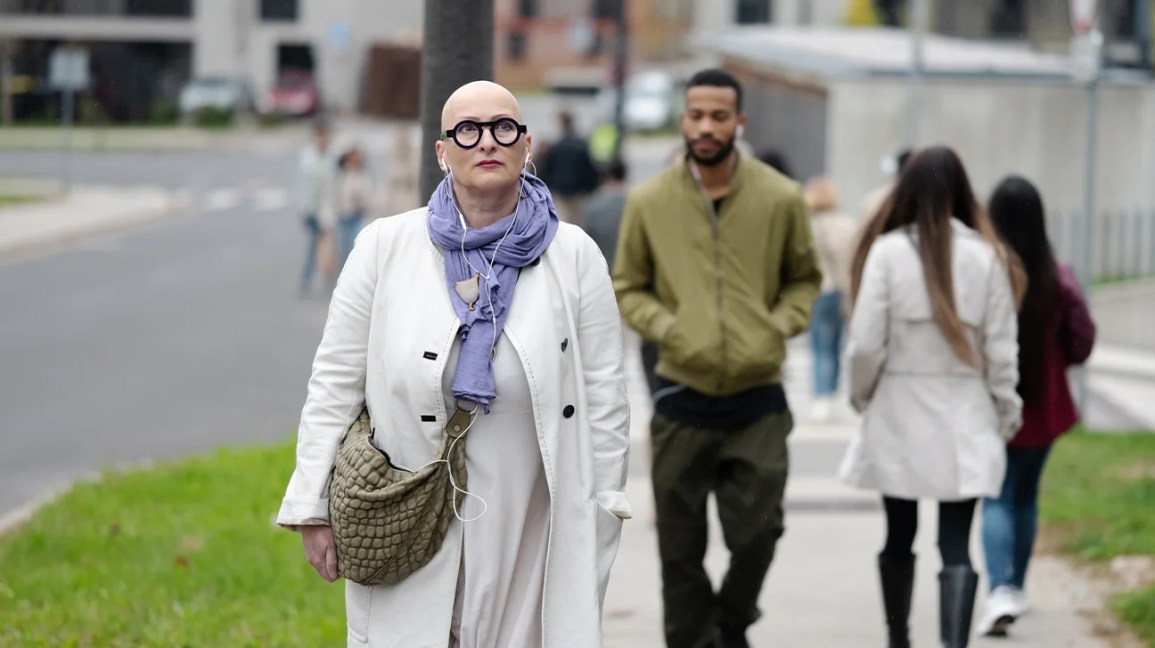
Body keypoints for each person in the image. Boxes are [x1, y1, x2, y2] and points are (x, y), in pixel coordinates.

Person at [276, 80, 632, 647]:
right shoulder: (383, 246)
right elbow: (334, 382)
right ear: (442, 151)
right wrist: (311, 504)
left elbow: (606, 395)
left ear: (525, 144)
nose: (486, 141)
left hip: (532, 511)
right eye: (467, 130)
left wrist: (605, 505)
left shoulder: (576, 256)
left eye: (503, 128)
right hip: (409, 501)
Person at [614, 68, 823, 648]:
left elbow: (805, 279)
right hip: (681, 397)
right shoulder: (650, 201)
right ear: (683, 120)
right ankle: (695, 638)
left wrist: (775, 326)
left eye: (719, 116)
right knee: (679, 553)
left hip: (758, 401)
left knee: (759, 534)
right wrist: (669, 328)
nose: (706, 127)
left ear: (740, 122)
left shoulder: (780, 198)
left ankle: (731, 623)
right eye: (697, 115)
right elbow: (628, 284)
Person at [836, 146, 1024, 648]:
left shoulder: (887, 252)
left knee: (898, 536)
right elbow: (1002, 350)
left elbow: (864, 344)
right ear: (964, 191)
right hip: (965, 413)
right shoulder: (987, 257)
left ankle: (899, 639)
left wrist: (862, 397)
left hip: (898, 407)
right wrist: (1006, 411)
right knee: (956, 546)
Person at [976, 176, 1096, 637]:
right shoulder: (1057, 274)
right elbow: (1082, 340)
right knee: (1025, 495)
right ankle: (1018, 587)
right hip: (1044, 403)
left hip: (993, 401)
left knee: (997, 496)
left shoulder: (986, 269)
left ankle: (999, 589)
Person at [802, 177, 859, 421]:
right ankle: (832, 391)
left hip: (818, 290)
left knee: (819, 345)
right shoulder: (847, 224)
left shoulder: (806, 226)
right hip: (842, 290)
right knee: (836, 343)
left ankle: (821, 395)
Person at [538, 111, 602, 225]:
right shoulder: (581, 144)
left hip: (560, 191)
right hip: (578, 192)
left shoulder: (556, 146)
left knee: (561, 224)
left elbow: (547, 168)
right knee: (577, 224)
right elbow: (589, 169)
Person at [298, 118, 337, 294]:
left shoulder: (331, 156)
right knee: (315, 243)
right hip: (313, 210)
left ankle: (326, 276)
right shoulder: (309, 158)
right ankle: (308, 277)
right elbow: (304, 187)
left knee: (327, 244)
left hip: (328, 209)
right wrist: (305, 210)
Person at [334, 145, 374, 268]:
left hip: (357, 215)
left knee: (355, 247)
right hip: (343, 215)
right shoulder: (342, 175)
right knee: (344, 249)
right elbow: (336, 194)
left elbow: (368, 195)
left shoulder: (363, 175)